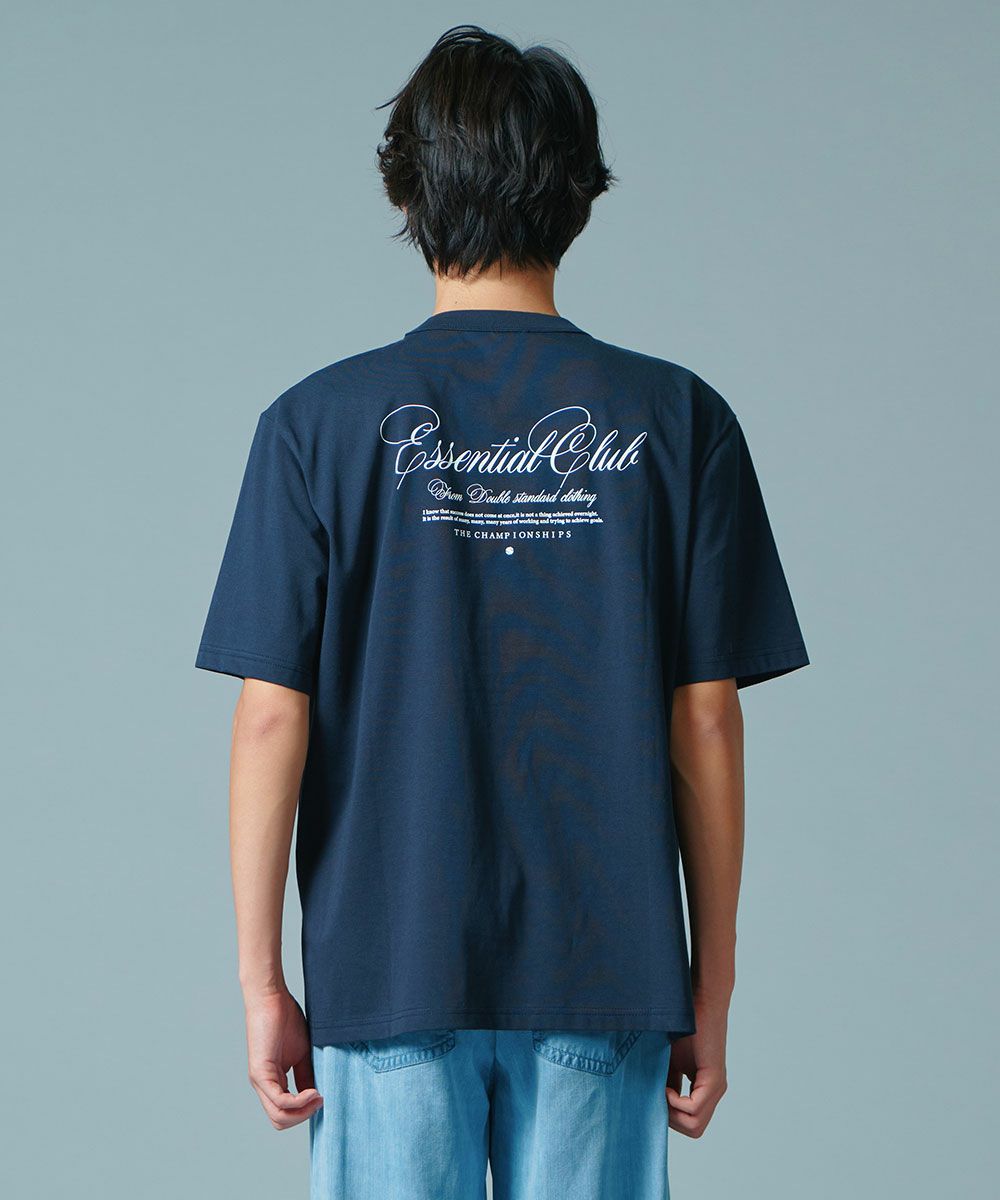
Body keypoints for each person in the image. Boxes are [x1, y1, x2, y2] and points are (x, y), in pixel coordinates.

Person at [195, 24, 809, 1200]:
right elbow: (706, 722)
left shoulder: (316, 425)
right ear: (579, 192)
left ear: (407, 189)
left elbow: (272, 716)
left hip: (386, 967)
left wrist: (262, 983)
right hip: (606, 966)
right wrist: (709, 989)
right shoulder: (679, 421)